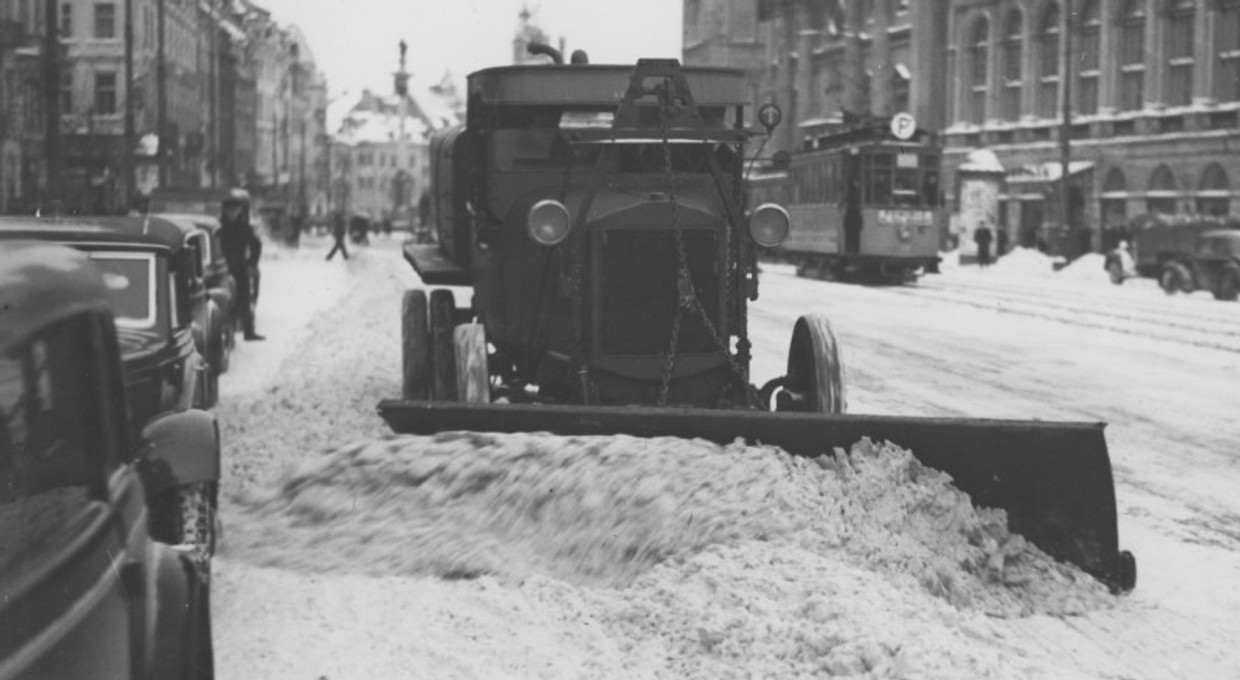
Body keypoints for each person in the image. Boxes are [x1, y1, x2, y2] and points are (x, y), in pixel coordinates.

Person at [219, 191, 265, 341]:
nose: (232, 213)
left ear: (239, 211)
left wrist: (251, 263)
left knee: (244, 300)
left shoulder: (244, 227)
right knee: (227, 302)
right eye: (229, 210)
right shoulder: (219, 228)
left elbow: (256, 245)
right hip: (222, 269)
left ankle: (248, 331)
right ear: (225, 211)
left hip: (240, 268)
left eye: (235, 210)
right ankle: (229, 334)